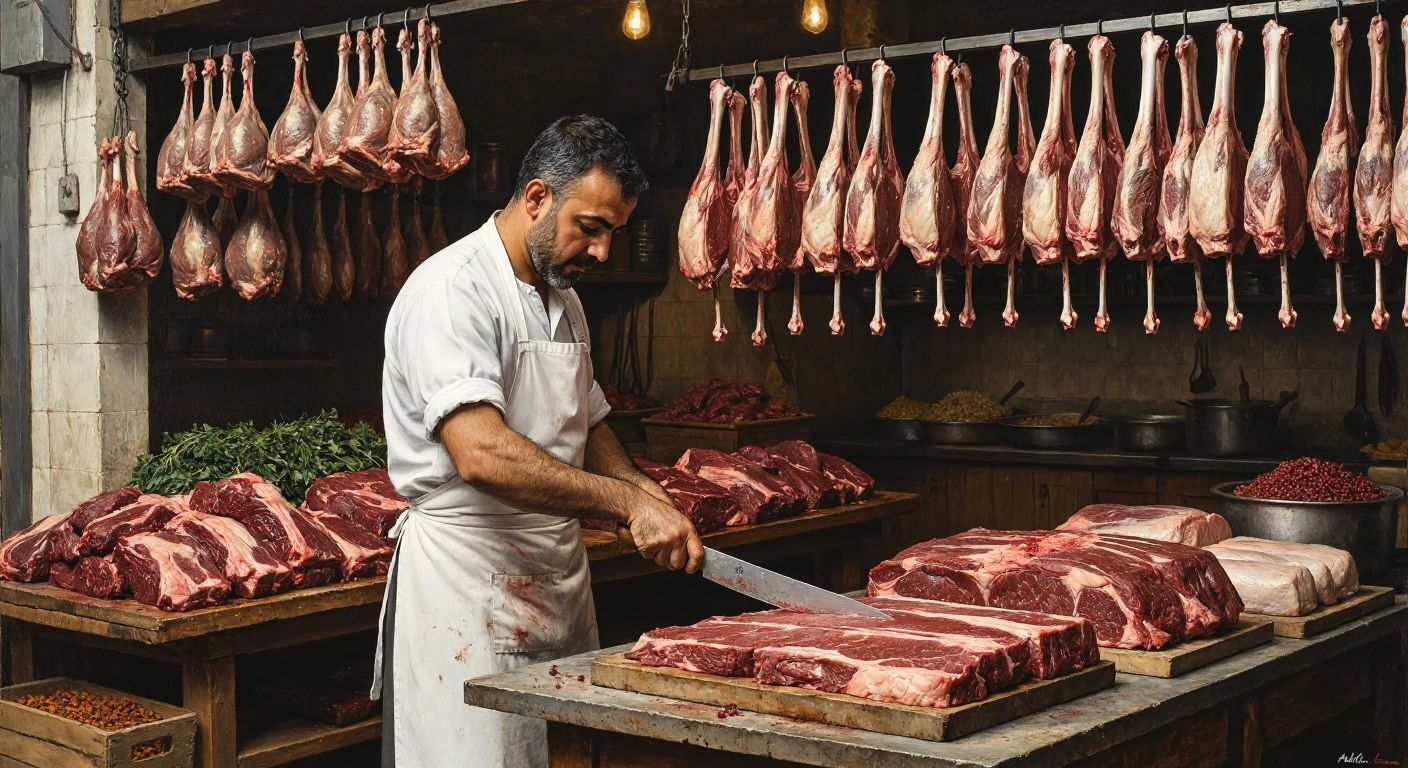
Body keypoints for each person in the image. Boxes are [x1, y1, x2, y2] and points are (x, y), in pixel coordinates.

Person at [374, 115, 703, 767]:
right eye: (592, 227)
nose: (604, 251)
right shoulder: (454, 290)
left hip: (554, 579)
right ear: (536, 198)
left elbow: (588, 419)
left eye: (611, 232)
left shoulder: (564, 298)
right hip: (465, 588)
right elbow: (479, 451)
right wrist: (626, 504)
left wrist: (644, 489)